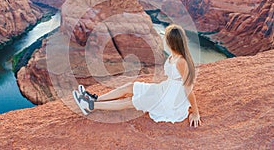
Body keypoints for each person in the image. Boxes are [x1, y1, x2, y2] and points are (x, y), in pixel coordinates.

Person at [73, 24, 201, 127]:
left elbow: (188, 88)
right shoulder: (174, 55)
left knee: (131, 101)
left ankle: (90, 106)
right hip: (164, 89)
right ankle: (94, 99)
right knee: (130, 86)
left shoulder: (181, 61)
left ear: (171, 42)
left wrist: (196, 113)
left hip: (170, 99)